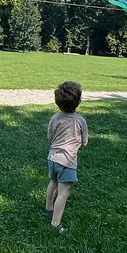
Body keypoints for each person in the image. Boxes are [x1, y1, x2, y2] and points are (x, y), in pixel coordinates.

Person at [42, 81, 88, 234]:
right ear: (78, 102)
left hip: (52, 158)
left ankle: (48, 207)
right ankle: (55, 223)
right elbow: (84, 142)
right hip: (67, 162)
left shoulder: (55, 117)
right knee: (63, 192)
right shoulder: (81, 121)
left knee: (52, 182)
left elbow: (50, 136)